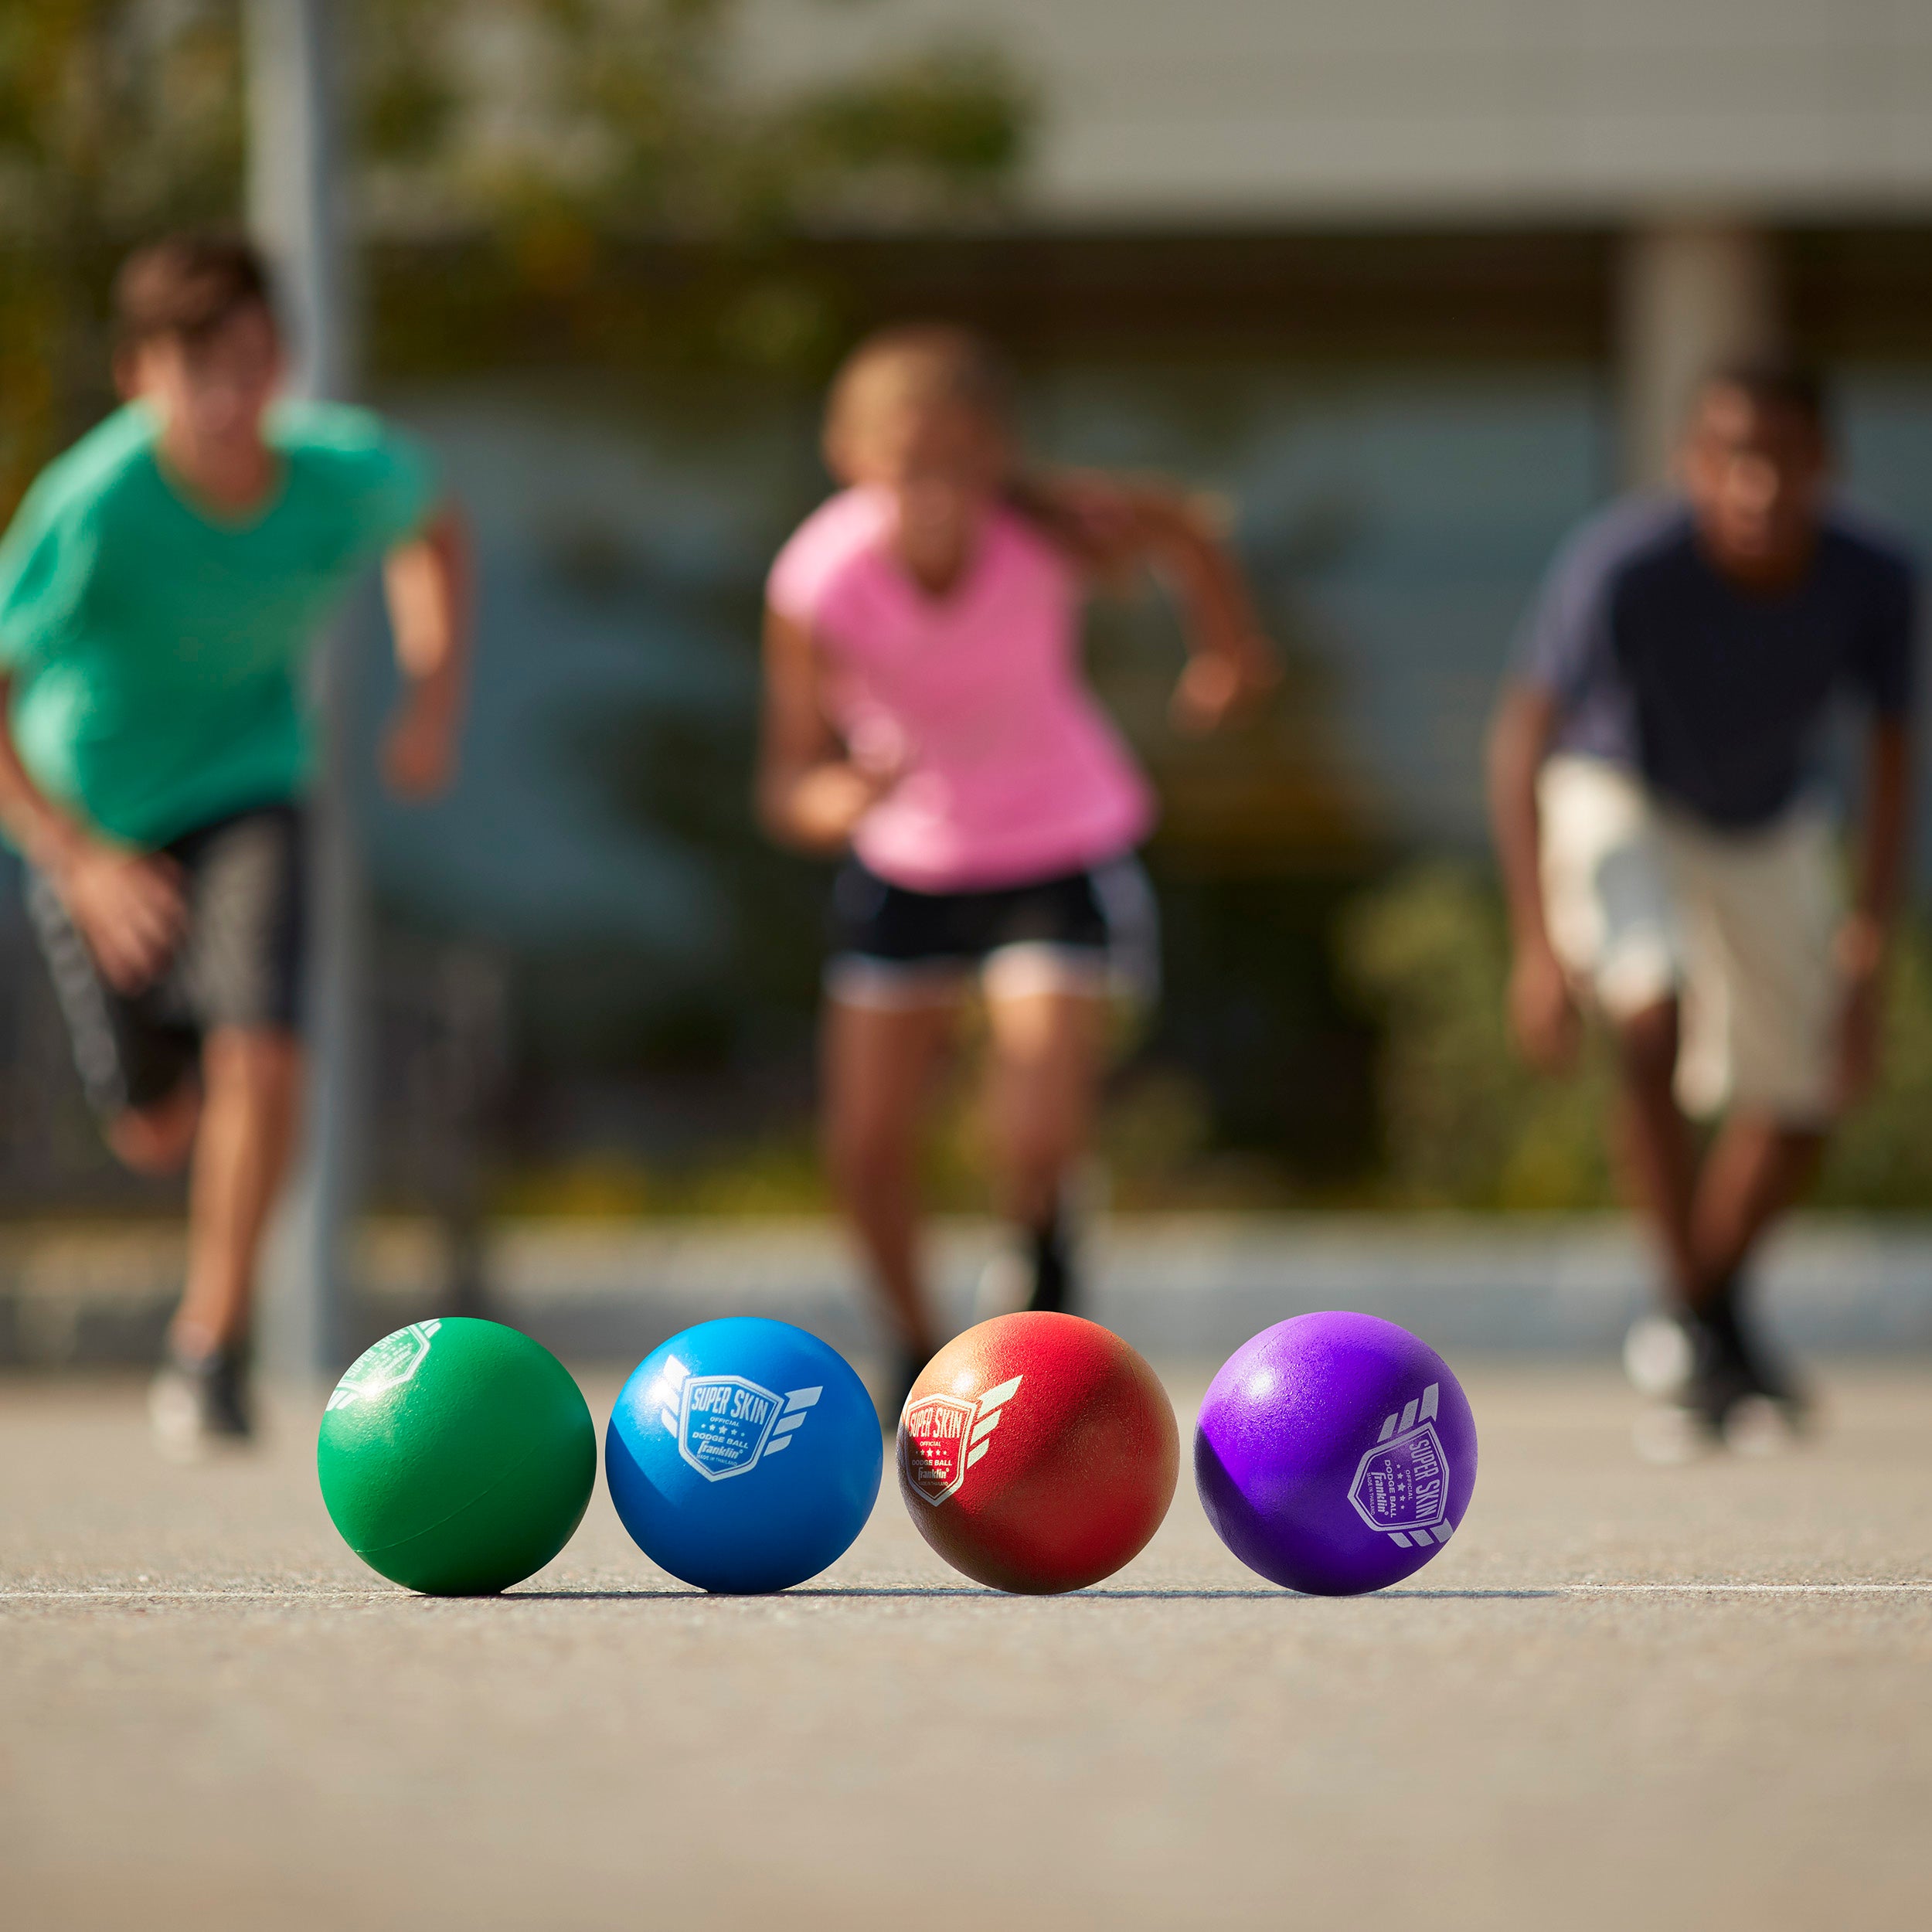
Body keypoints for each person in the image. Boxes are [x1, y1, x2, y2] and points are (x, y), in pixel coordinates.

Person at [0, 233, 470, 1457]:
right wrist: (77, 860)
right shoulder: (93, 505)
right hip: (99, 814)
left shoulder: (343, 470)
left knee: (264, 1046)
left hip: (256, 779)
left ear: (283, 364)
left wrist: (429, 694)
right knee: (157, 1127)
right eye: (192, 369)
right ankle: (163, 1099)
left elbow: (436, 530)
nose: (224, 398)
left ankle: (210, 1343)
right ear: (136, 377)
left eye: (249, 364)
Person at [758, 324, 1277, 1417]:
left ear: (998, 458)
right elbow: (788, 779)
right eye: (908, 466)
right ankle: (913, 1355)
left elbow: (1186, 525)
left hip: (1056, 843)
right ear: (850, 457)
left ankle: (1042, 1237)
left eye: (959, 463)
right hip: (909, 863)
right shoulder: (816, 581)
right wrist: (839, 798)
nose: (936, 490)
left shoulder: (1044, 534)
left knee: (1031, 1121)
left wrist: (1228, 648)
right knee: (865, 1146)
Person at [1487, 362, 1917, 1456]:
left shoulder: (1875, 577)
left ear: (1826, 466)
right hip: (1619, 788)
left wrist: (1867, 940)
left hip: (1771, 821)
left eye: (1785, 458)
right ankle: (1712, 1332)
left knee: (1806, 1085)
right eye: (1734, 457)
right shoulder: (1625, 565)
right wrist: (1536, 946)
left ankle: (1700, 1320)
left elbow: (1891, 755)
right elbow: (1522, 737)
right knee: (1649, 1016)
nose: (1760, 484)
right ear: (1693, 467)